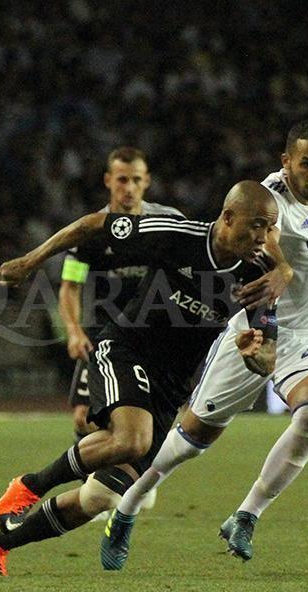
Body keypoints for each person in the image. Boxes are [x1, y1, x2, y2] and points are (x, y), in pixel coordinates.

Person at [101, 119, 308, 569]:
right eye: (306, 165)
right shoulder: (270, 197)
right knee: (189, 440)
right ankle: (126, 508)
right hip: (257, 326)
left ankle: (246, 515)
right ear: (286, 163)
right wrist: (281, 268)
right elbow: (268, 240)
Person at [0, 180, 293, 576]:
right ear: (228, 217)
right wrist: (30, 261)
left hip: (170, 391)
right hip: (126, 350)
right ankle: (29, 486)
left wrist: (253, 353)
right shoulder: (176, 236)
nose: (263, 237)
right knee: (131, 439)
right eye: (257, 225)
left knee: (101, 495)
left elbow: (268, 359)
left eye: (270, 228)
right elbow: (94, 224)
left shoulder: (259, 273)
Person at [60, 147, 181, 443]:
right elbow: (70, 287)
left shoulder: (169, 222)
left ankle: (121, 480)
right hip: (102, 333)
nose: (129, 188)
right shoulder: (91, 231)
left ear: (147, 181)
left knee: (150, 418)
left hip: (153, 334)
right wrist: (74, 331)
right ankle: (93, 482)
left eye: (136, 180)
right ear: (108, 180)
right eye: (122, 180)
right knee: (83, 417)